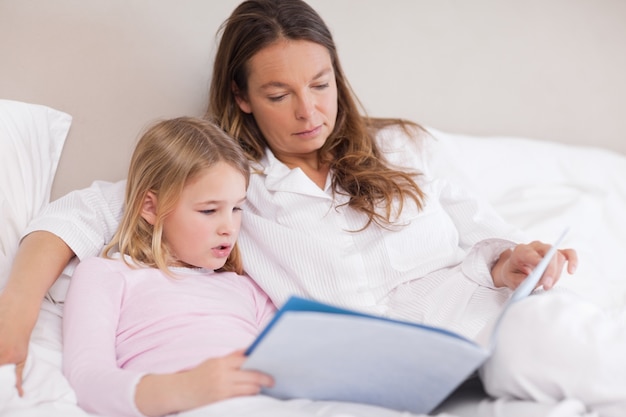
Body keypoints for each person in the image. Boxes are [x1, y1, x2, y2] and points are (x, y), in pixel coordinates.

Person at [1, 0, 624, 416]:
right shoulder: (228, 181)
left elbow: (488, 237)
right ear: (241, 98)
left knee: (560, 340)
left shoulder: (403, 145)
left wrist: (511, 261)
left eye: (321, 85)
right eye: (279, 94)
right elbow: (77, 218)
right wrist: (16, 315)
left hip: (472, 326)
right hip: (362, 373)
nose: (309, 112)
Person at [62, 117, 276, 417]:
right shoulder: (108, 274)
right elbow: (86, 379)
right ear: (150, 207)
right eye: (209, 210)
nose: (229, 227)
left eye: (237, 208)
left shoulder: (247, 286)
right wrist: (187, 389)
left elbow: (286, 367)